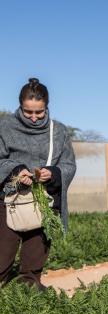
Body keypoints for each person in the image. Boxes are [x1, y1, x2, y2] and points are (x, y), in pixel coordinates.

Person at [0, 78, 76, 289]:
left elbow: (69, 164)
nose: (34, 118)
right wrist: (15, 170)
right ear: (20, 106)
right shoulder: (4, 127)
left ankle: (28, 294)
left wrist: (51, 174)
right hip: (9, 200)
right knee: (2, 253)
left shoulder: (58, 131)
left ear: (47, 107)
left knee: (35, 256)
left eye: (39, 112)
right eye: (28, 112)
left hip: (45, 201)